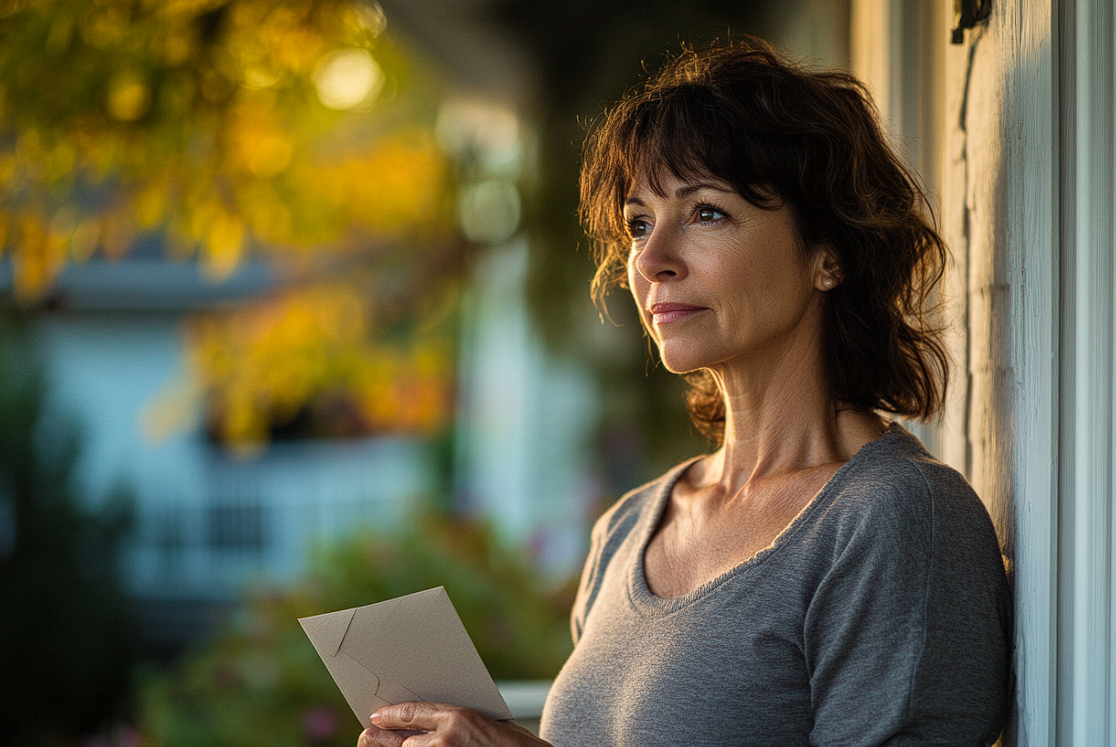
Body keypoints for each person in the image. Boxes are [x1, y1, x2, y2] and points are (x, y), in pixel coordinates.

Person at [358, 36, 1012, 747]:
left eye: (705, 212)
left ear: (831, 253)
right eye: (639, 222)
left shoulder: (894, 519)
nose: (651, 258)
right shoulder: (630, 527)